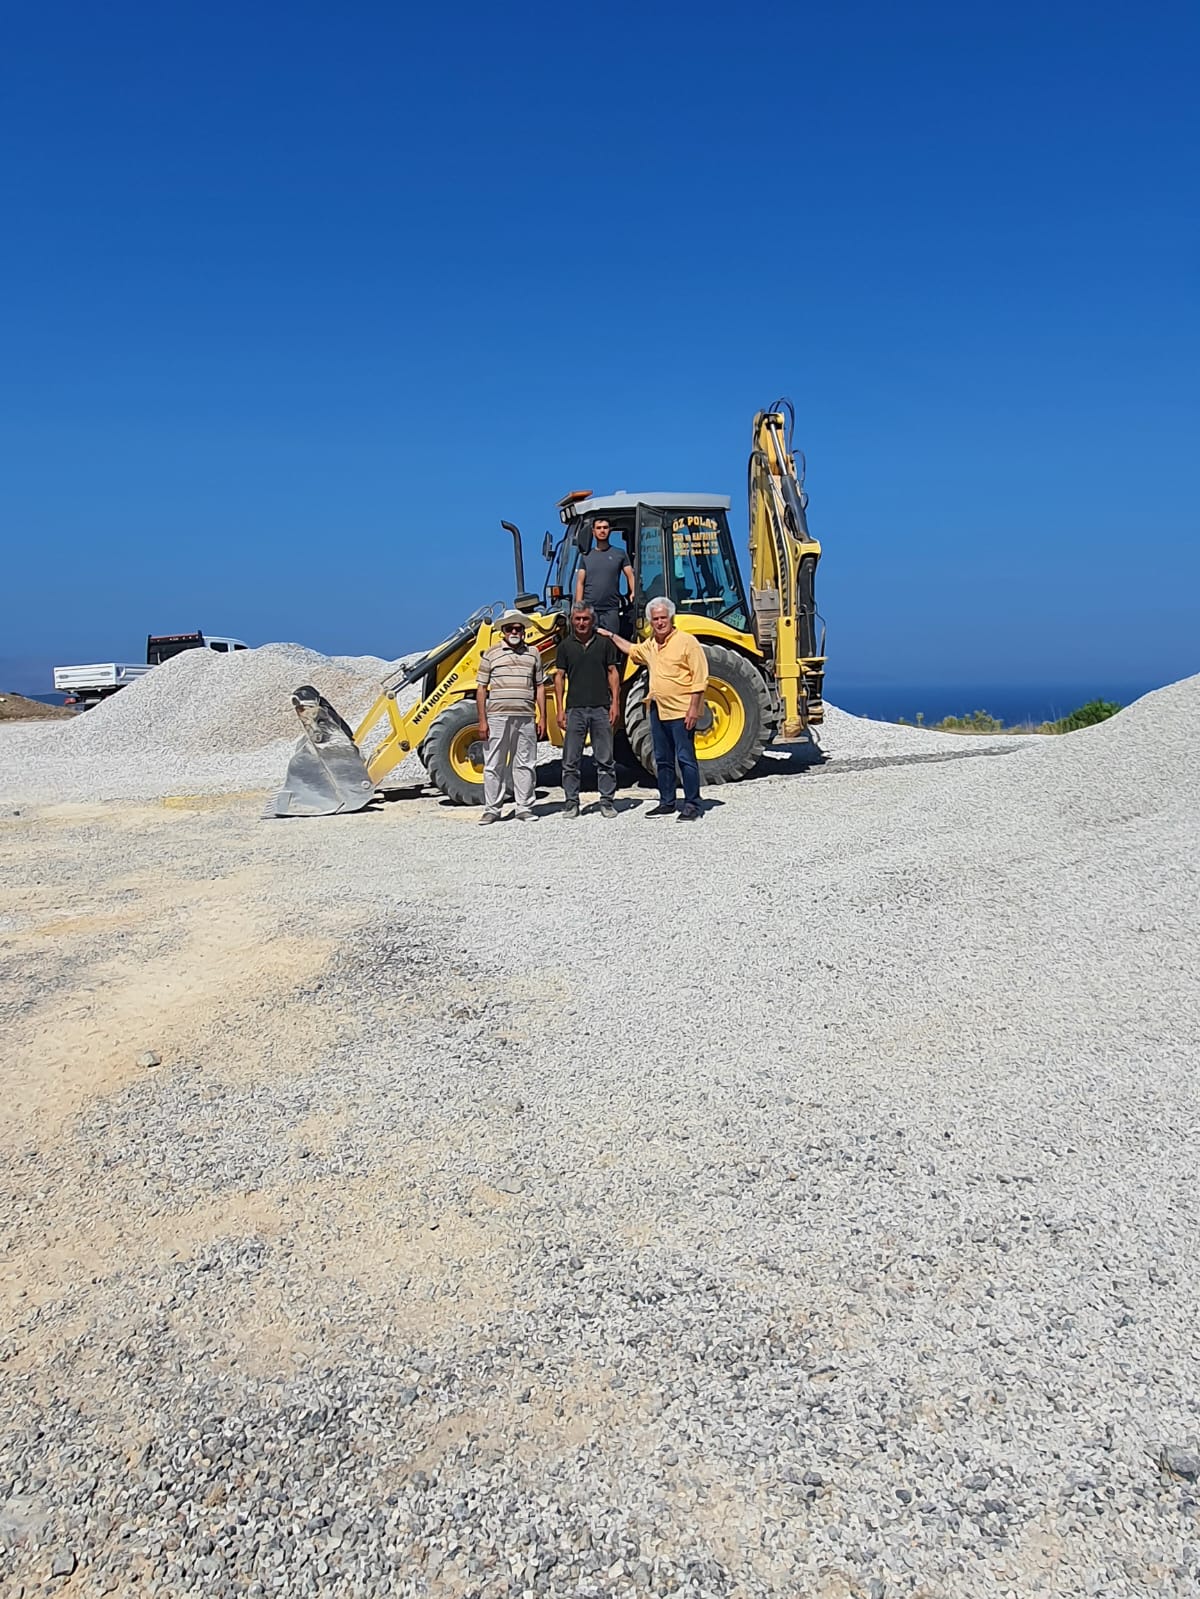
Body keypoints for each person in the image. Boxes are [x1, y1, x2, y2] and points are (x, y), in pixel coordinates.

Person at [600, 599, 707, 822]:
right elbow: (632, 649)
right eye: (655, 619)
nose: (659, 622)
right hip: (657, 709)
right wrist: (610, 636)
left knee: (685, 758)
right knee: (662, 759)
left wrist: (694, 708)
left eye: (663, 618)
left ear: (671, 618)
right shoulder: (650, 645)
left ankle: (692, 803)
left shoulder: (687, 642)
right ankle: (667, 802)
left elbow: (699, 678)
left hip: (681, 710)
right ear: (650, 621)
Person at [475, 610, 546, 824]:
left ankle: (524, 807)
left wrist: (542, 717)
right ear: (503, 631)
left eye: (518, 628)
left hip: (526, 716)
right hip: (497, 717)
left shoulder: (534, 653)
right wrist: (482, 721)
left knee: (525, 763)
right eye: (510, 628)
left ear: (523, 631)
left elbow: (540, 686)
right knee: (494, 763)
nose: (514, 632)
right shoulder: (491, 653)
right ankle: (492, 810)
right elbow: (481, 688)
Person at [552, 603, 621, 819]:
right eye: (578, 619)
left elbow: (613, 672)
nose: (581, 623)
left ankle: (607, 802)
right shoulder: (565, 646)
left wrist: (615, 703)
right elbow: (559, 677)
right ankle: (571, 803)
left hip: (601, 708)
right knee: (570, 760)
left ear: (592, 621)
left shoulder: (604, 644)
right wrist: (560, 709)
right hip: (575, 710)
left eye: (585, 619)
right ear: (572, 620)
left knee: (605, 759)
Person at [575, 519, 636, 638]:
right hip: (590, 609)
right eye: (599, 528)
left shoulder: (620, 554)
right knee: (589, 641)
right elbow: (580, 582)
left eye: (605, 527)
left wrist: (633, 592)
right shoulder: (586, 556)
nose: (602, 531)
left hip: (611, 609)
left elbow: (630, 575)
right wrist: (578, 606)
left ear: (610, 530)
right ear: (593, 531)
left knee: (612, 641)